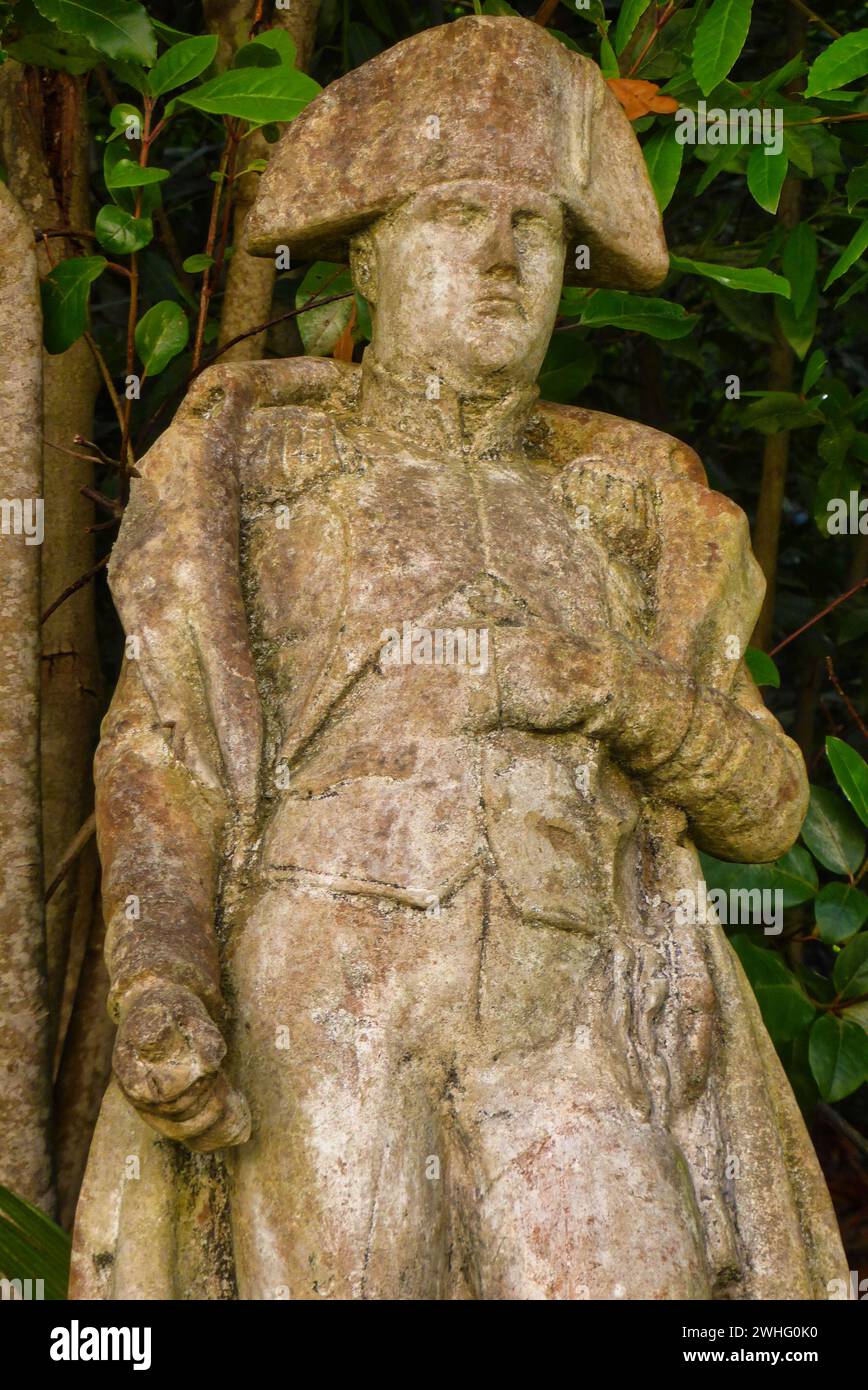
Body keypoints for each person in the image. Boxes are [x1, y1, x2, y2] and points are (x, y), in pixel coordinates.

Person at [72, 16, 845, 1300]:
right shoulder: (252, 467)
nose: (497, 258)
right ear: (369, 260)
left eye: (531, 228)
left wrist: (619, 692)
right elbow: (162, 755)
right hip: (322, 997)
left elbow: (770, 810)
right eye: (450, 217)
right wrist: (160, 976)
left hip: (576, 999)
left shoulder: (636, 499)